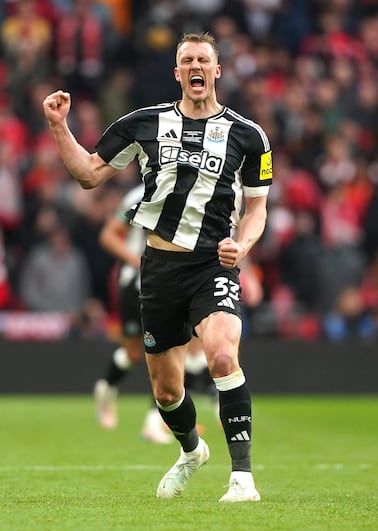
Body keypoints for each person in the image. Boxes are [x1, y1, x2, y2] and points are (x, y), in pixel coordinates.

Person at [43, 32, 270, 502]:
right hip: (160, 271)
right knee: (167, 392)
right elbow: (88, 175)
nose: (196, 67)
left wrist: (242, 247)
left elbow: (257, 210)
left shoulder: (248, 136)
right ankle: (191, 451)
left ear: (217, 70)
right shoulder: (144, 124)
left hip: (214, 265)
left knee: (223, 356)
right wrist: (59, 127)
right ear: (177, 73)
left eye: (203, 60)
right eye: (187, 60)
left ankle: (243, 479)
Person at [93, 183, 215, 445]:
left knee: (170, 348)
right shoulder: (139, 195)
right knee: (135, 353)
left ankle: (155, 421)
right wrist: (138, 261)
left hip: (173, 282)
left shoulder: (198, 186)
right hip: (136, 282)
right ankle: (106, 387)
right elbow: (109, 235)